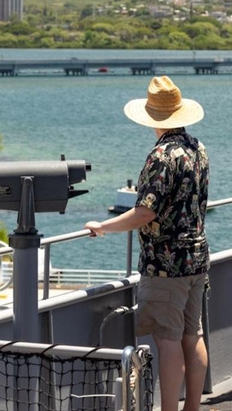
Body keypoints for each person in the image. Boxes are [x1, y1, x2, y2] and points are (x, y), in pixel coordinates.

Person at [85, 76, 209, 411]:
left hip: (164, 266)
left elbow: (144, 213)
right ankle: (192, 407)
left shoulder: (160, 157)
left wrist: (104, 226)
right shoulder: (198, 149)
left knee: (166, 340)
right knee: (191, 335)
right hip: (196, 259)